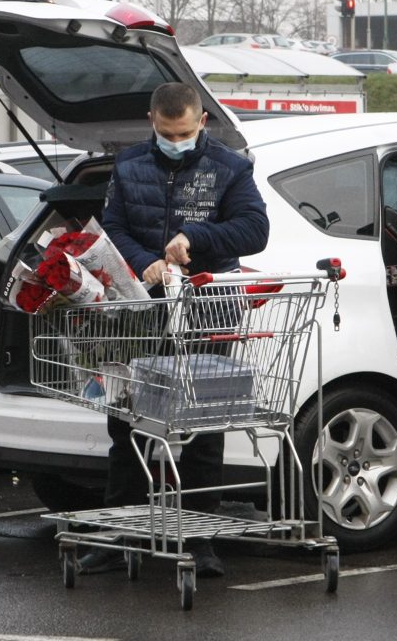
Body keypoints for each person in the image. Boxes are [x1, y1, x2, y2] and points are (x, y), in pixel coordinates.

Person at [78, 82, 270, 577]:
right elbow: (113, 226)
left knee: (204, 429)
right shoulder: (130, 165)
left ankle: (202, 540)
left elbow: (255, 229)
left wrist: (196, 237)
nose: (176, 140)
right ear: (152, 123)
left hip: (207, 308)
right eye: (167, 133)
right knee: (124, 422)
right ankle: (120, 533)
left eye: (184, 132)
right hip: (142, 310)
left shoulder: (230, 168)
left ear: (202, 122)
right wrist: (144, 262)